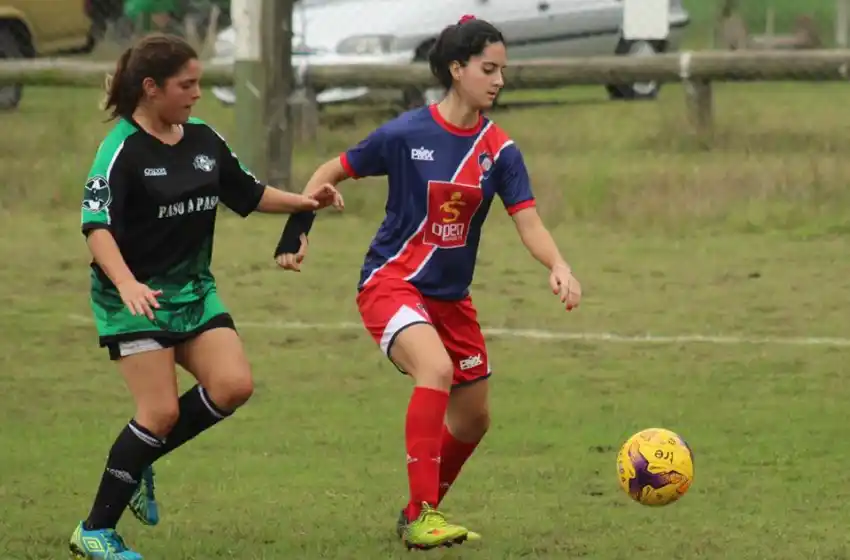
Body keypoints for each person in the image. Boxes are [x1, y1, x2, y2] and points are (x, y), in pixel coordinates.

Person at [274, 15, 581, 551]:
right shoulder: (405, 133)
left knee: (474, 418)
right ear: (456, 69)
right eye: (489, 69)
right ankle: (421, 516)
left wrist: (559, 265)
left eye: (503, 70)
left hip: (450, 299)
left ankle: (419, 509)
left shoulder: (501, 151)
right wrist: (298, 228)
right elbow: (331, 169)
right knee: (434, 369)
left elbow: (528, 221)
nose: (499, 81)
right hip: (390, 282)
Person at [70, 33, 342, 560]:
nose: (197, 94)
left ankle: (142, 454)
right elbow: (96, 226)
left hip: (194, 292)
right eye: (186, 85)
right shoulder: (120, 149)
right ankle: (95, 530)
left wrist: (306, 202)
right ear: (151, 88)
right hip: (136, 298)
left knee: (233, 385)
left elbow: (247, 190)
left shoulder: (202, 139)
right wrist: (125, 282)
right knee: (159, 413)